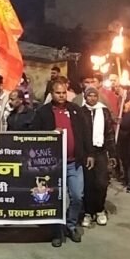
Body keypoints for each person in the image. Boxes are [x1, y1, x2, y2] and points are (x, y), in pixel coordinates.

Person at [31, 80, 94, 247]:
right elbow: (34, 133)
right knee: (56, 200)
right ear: (52, 94)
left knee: (77, 196)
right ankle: (57, 231)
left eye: (64, 92)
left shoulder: (75, 110)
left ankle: (71, 225)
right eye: (58, 93)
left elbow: (85, 132)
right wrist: (50, 133)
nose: (61, 96)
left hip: (75, 163)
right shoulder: (43, 112)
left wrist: (89, 153)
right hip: (54, 165)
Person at [81, 87, 117, 227]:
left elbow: (109, 133)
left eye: (94, 96)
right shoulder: (80, 112)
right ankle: (88, 212)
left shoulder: (104, 111)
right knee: (88, 184)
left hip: (100, 152)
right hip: (86, 153)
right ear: (85, 97)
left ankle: (100, 209)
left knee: (101, 183)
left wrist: (112, 154)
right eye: (89, 96)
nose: (92, 98)